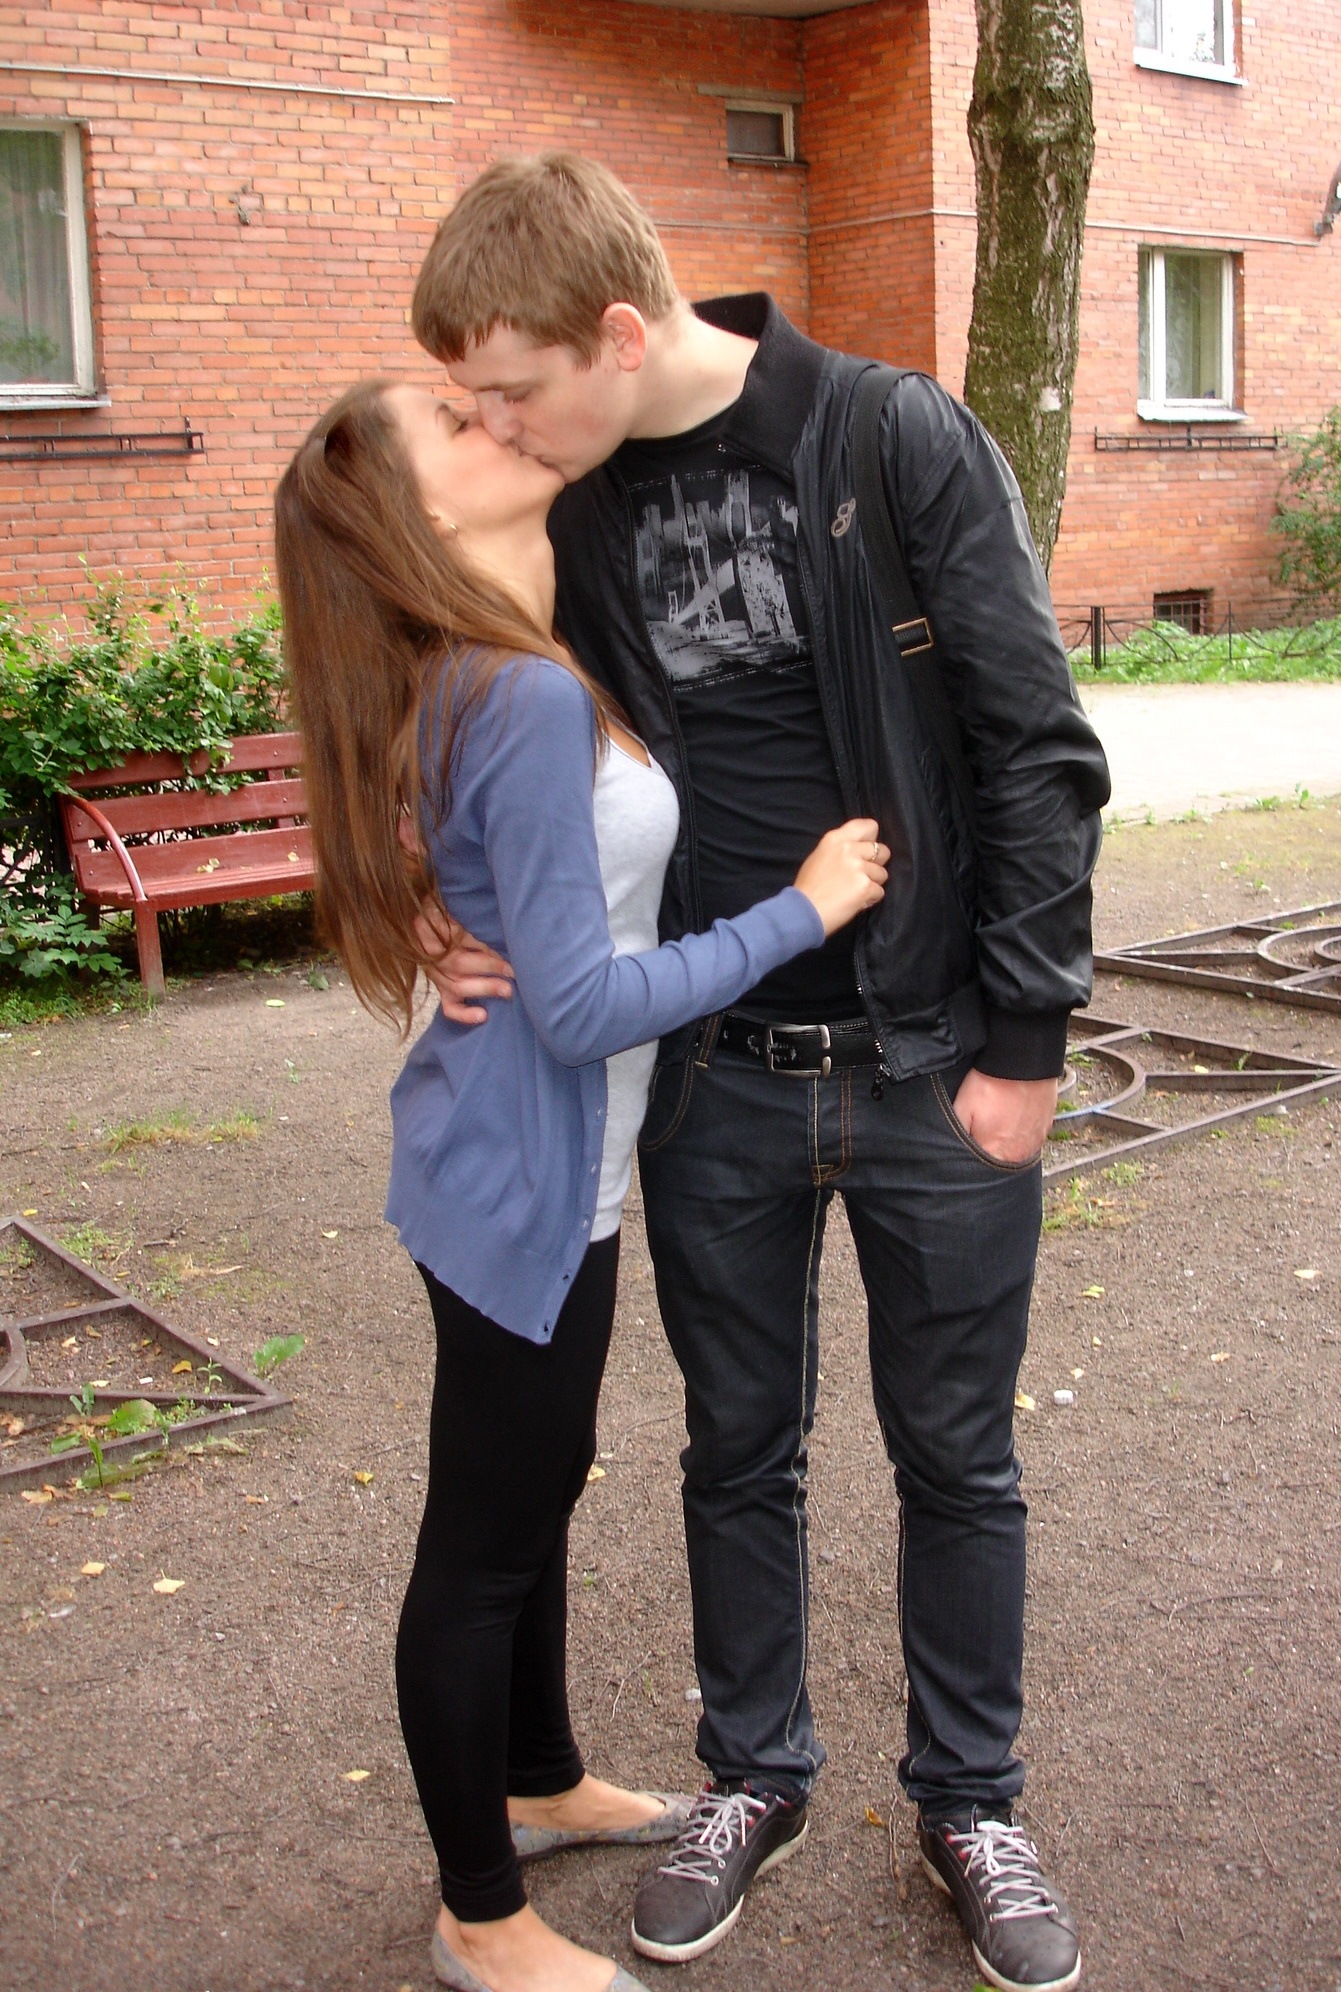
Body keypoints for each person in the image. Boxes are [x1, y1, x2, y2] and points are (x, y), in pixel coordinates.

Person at [408, 153, 1113, 1992]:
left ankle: (970, 1800)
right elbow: (470, 721)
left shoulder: (887, 436)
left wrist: (1026, 1039)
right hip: (712, 1073)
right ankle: (753, 1775)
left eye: (509, 390)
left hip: (931, 1061)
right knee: (736, 1449)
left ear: (613, 333)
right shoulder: (568, 504)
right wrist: (424, 897)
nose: (492, 430)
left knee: (956, 1457)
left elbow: (1033, 748)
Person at [273, 376, 889, 1992]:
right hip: (521, 1177)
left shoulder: (492, 664)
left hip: (525, 1158)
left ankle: (538, 1778)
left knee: (535, 1487)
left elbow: (506, 878)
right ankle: (479, 1916)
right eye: (455, 424)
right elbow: (584, 1006)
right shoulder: (513, 689)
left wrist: (427, 892)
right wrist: (805, 909)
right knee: (483, 1539)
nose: (493, 419)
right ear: (418, 516)